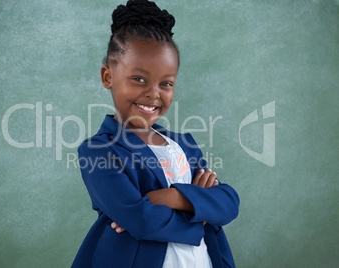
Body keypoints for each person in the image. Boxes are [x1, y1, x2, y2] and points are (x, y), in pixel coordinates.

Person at [71, 0, 240, 267]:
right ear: (108, 77)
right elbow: (142, 221)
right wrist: (199, 209)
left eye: (166, 83)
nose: (153, 93)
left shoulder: (183, 143)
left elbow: (228, 202)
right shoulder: (99, 150)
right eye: (139, 79)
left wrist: (166, 197)